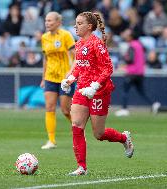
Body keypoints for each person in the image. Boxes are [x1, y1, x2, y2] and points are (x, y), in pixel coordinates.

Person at [60, 11, 134, 176]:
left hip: (99, 91)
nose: (75, 26)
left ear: (89, 26)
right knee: (76, 126)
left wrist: (95, 86)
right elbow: (80, 66)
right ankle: (81, 167)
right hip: (81, 90)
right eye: (76, 23)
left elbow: (108, 68)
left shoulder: (97, 43)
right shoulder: (79, 44)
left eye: (79, 23)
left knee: (98, 134)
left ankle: (123, 138)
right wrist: (70, 79)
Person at [40, 12, 76, 149]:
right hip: (50, 77)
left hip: (64, 78)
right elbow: (46, 59)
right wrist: (43, 78)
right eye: (46, 20)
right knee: (49, 107)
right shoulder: (44, 37)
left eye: (50, 21)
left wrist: (71, 72)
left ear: (58, 22)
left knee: (66, 110)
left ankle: (78, 130)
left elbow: (76, 56)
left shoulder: (66, 35)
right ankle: (51, 140)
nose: (47, 23)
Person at [115, 29, 160, 117]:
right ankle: (153, 104)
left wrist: (124, 58)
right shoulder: (140, 45)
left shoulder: (132, 46)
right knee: (141, 91)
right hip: (140, 72)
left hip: (132, 72)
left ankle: (124, 109)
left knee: (125, 90)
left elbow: (130, 59)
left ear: (131, 36)